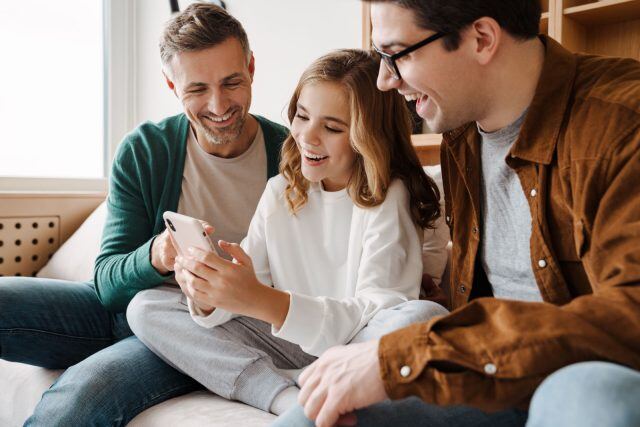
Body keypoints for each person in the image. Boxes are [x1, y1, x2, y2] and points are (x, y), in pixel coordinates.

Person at [274, 1, 640, 426]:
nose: (384, 80)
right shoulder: (461, 131)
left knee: (587, 395)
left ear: (481, 39)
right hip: (496, 378)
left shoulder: (622, 123)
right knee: (320, 413)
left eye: (397, 54)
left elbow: (630, 313)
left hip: (588, 385)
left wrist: (412, 354)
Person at [0, 4, 289, 425]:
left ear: (251, 67)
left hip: (201, 330)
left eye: (232, 82)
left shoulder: (291, 156)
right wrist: (157, 255)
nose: (219, 104)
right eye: (196, 89)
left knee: (75, 400)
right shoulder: (146, 150)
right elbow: (108, 284)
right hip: (130, 307)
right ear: (172, 84)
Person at [126, 49, 450, 415]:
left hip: (351, 346)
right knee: (146, 306)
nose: (307, 136)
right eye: (302, 116)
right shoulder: (281, 191)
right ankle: (283, 397)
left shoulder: (390, 195)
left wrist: (261, 300)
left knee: (416, 317)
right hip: (288, 340)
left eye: (332, 128)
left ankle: (325, 384)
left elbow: (380, 312)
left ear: (367, 136)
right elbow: (250, 288)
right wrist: (206, 293)